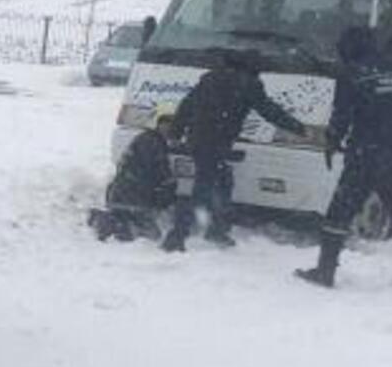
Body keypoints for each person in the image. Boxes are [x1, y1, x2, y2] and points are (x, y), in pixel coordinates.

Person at [296, 27, 392, 297]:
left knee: (339, 213)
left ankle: (325, 270)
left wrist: (332, 142)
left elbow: (341, 117)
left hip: (364, 156)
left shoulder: (353, 74)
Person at [163, 50, 306, 251]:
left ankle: (216, 230)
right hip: (216, 140)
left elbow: (187, 105)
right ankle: (178, 235)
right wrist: (298, 128)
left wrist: (176, 131)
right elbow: (269, 110)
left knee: (222, 181)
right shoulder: (248, 84)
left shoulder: (211, 79)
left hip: (198, 137)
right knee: (203, 189)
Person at [90, 106, 179, 243]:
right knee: (150, 236)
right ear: (158, 124)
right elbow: (161, 174)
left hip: (124, 194)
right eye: (165, 123)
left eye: (171, 124)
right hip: (133, 198)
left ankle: (112, 220)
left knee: (143, 230)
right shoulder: (153, 143)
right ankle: (108, 221)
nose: (168, 128)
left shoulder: (147, 139)